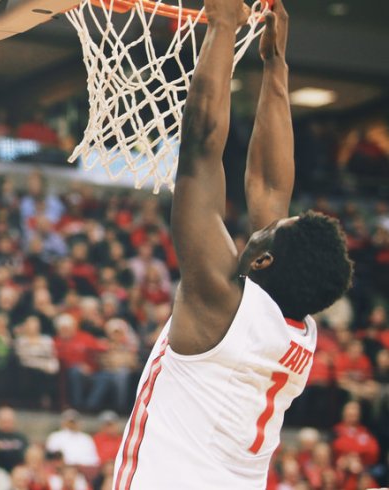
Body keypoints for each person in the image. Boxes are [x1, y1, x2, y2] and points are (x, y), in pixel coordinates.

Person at [110, 1, 354, 488]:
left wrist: (223, 25)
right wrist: (274, 65)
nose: (262, 223)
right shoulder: (298, 332)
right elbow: (268, 184)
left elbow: (200, 147)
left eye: (266, 232)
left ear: (262, 259)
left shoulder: (219, 300)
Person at [45, 410, 99, 477]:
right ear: (63, 422)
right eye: (69, 422)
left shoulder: (86, 439)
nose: (72, 424)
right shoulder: (55, 437)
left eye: (74, 422)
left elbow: (94, 461)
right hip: (60, 473)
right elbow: (51, 458)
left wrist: (79, 467)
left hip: (82, 474)